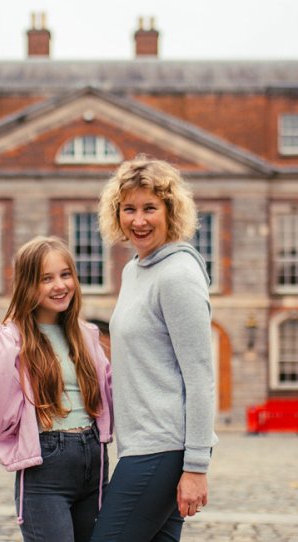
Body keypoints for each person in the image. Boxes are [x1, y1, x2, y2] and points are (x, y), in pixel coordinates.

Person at [89, 155, 218, 541]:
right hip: (139, 446)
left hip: (162, 449)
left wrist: (196, 466)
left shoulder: (177, 275)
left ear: (171, 211)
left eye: (150, 208)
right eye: (129, 209)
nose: (138, 220)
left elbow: (200, 377)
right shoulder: (135, 270)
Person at [0, 236, 114, 542]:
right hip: (46, 464)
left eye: (65, 275)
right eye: (46, 279)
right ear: (27, 286)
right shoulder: (11, 339)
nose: (59, 285)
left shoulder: (87, 334)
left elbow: (111, 393)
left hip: (94, 456)